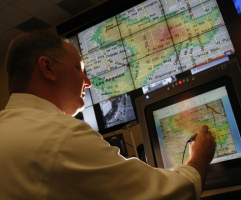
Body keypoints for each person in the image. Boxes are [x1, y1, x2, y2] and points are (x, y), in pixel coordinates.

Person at [0, 31, 216, 200]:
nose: (88, 81)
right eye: (78, 68)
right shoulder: (62, 135)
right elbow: (167, 194)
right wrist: (198, 158)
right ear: (47, 67)